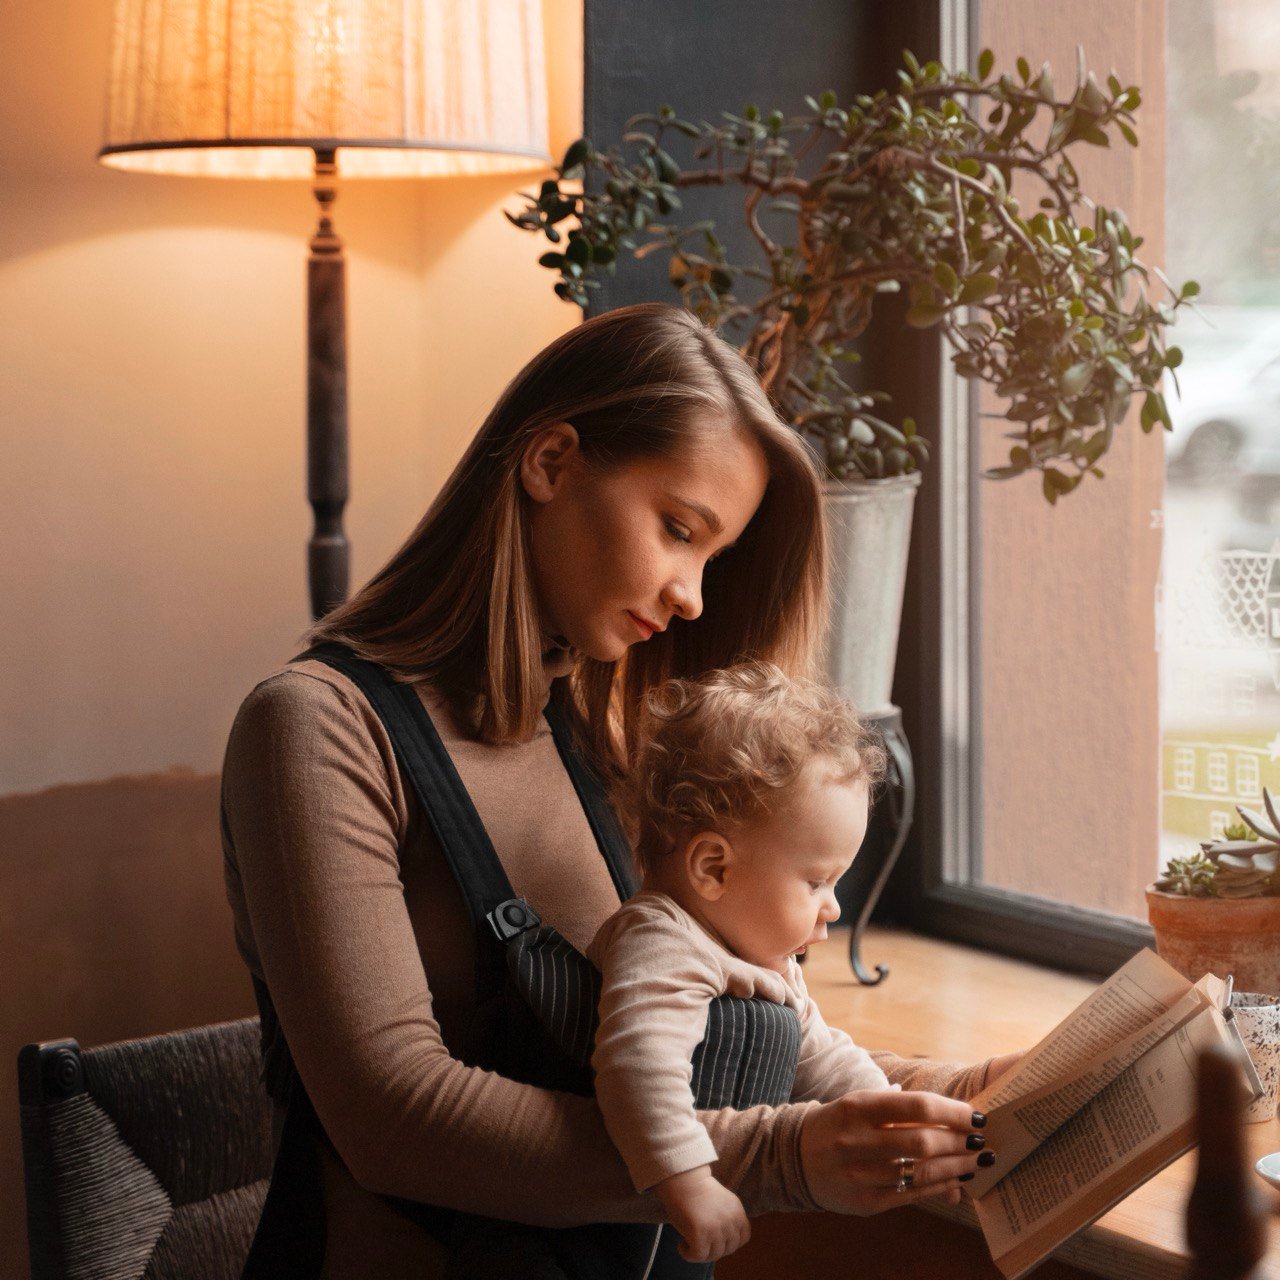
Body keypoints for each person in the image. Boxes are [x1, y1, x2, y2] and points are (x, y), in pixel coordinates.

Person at [220, 301, 1022, 1278]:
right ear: (550, 463)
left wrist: (963, 1090)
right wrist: (779, 1158)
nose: (690, 592)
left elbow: (720, 1023)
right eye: (677, 529)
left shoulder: (599, 742)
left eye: (710, 556)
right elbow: (396, 1115)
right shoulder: (314, 729)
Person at [585, 660, 952, 1266]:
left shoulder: (762, 957)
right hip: (611, 1245)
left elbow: (819, 1051)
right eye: (816, 881)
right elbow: (637, 1065)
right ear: (713, 869)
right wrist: (690, 1181)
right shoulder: (661, 939)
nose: (833, 907)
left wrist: (896, 1121)